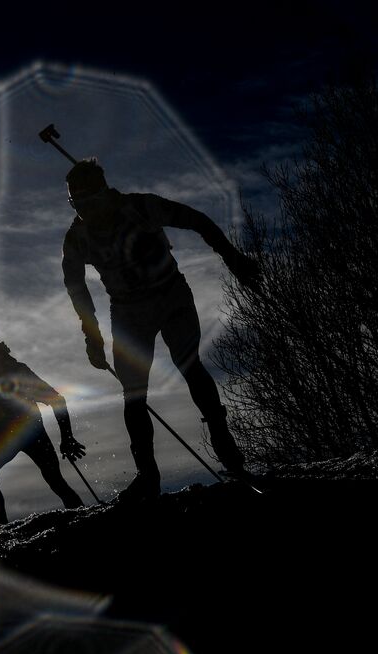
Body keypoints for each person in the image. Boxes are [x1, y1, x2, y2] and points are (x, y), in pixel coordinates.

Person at [61, 158, 260, 501]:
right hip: (127, 310)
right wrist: (90, 333)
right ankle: (147, 475)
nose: (86, 212)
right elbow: (75, 284)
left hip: (170, 296)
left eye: (89, 203)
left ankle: (227, 450)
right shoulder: (78, 237)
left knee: (189, 365)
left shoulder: (141, 207)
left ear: (104, 193)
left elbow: (197, 220)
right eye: (77, 206)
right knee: (134, 393)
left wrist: (232, 257)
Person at [0, 331, 86, 524]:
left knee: (54, 479)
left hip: (30, 428)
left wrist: (67, 437)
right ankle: (0, 527)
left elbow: (57, 400)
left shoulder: (17, 370)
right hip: (10, 430)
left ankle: (81, 517)